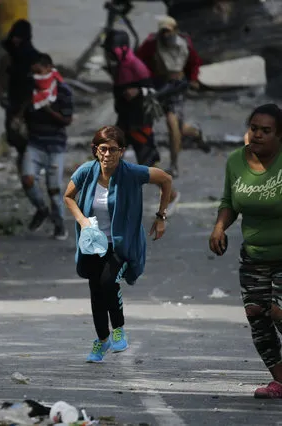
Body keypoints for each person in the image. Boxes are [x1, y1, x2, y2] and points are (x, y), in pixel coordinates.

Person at [64, 125, 172, 363]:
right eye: (103, 149)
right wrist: (82, 221)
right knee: (95, 290)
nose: (107, 155)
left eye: (113, 150)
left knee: (108, 281)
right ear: (95, 150)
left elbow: (166, 180)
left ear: (122, 151)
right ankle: (102, 341)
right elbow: (68, 196)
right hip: (93, 242)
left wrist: (161, 216)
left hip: (121, 244)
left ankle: (119, 328)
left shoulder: (132, 172)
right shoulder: (86, 172)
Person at [209, 104, 282, 399]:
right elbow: (229, 202)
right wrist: (219, 228)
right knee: (257, 316)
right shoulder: (236, 161)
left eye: (266, 131)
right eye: (254, 128)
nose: (258, 135)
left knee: (279, 311)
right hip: (253, 256)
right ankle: (280, 380)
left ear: (279, 136)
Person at [103, 29, 181, 215]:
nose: (109, 54)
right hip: (125, 121)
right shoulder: (120, 66)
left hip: (140, 123)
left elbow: (154, 92)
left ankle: (171, 194)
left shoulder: (136, 66)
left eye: (112, 50)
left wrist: (138, 92)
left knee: (147, 165)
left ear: (122, 49)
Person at [136, 16, 208, 177]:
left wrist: (194, 79)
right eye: (163, 32)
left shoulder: (184, 44)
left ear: (175, 30)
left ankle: (174, 165)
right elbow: (139, 61)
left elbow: (194, 61)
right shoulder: (152, 44)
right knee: (178, 128)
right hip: (160, 86)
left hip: (177, 87)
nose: (166, 35)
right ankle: (195, 133)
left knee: (171, 122)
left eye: (168, 31)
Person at [22, 53, 73, 240]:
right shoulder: (30, 89)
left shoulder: (62, 90)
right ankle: (41, 209)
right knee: (27, 179)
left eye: (39, 71)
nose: (36, 76)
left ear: (49, 68)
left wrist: (47, 109)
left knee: (54, 189)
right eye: (33, 72)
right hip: (35, 143)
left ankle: (60, 225)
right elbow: (22, 109)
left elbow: (67, 120)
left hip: (55, 146)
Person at [0, 19, 40, 172]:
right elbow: (1, 77)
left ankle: (27, 168)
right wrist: (1, 95)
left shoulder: (33, 58)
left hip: (29, 102)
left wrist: (22, 112)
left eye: (19, 37)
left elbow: (36, 86)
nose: (15, 40)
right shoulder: (8, 56)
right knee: (13, 136)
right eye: (14, 36)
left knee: (27, 138)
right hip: (13, 101)